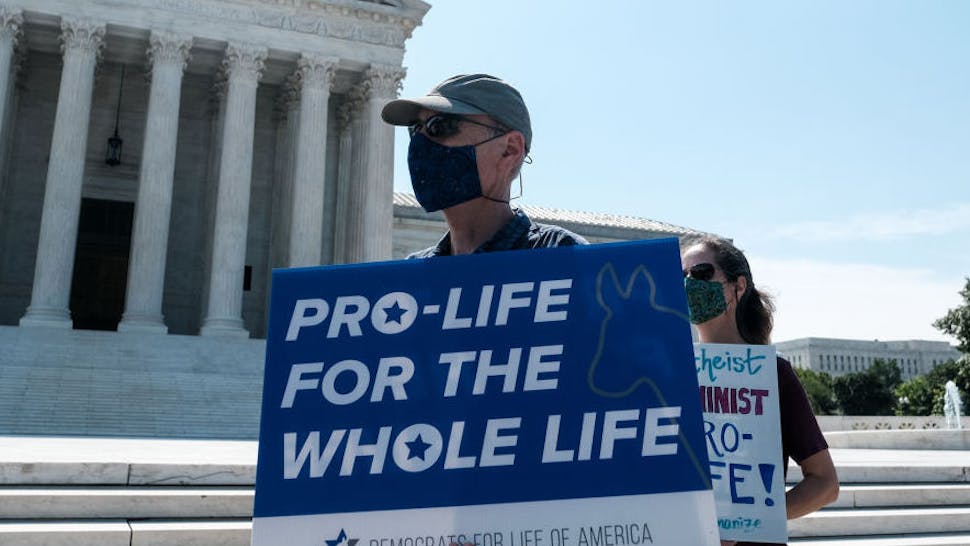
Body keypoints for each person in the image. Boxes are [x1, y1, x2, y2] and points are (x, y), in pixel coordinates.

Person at [682, 236, 839, 546]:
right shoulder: (672, 375)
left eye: (701, 273)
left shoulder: (773, 375)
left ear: (737, 287)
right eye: (680, 276)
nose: (689, 284)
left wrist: (748, 521)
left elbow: (825, 483)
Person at [381, 73, 587, 257]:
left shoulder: (559, 256)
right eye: (416, 130)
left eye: (440, 126)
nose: (421, 143)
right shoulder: (412, 276)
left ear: (510, 150)